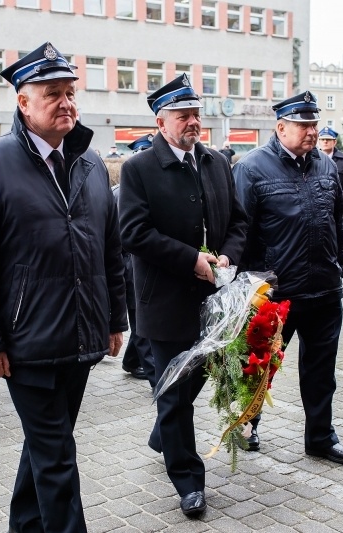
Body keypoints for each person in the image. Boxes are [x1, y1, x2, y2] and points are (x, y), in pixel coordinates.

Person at [0, 41, 127, 532]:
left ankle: (24, 525)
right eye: (53, 93)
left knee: (47, 445)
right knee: (57, 458)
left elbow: (109, 249)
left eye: (71, 92)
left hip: (82, 335)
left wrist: (115, 320)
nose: (67, 102)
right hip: (27, 342)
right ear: (23, 102)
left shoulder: (89, 163)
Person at [119, 74, 247, 518]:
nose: (193, 122)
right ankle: (189, 482)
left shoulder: (214, 162)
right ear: (161, 120)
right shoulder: (138, 168)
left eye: (196, 114)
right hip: (165, 299)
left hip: (215, 298)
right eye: (183, 115)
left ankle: (163, 433)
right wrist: (192, 259)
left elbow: (239, 221)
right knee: (172, 392)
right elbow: (133, 232)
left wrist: (228, 255)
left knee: (198, 375)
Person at [232, 91, 343, 465]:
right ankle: (246, 425)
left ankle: (320, 437)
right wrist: (249, 289)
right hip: (276, 295)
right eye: (304, 124)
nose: (311, 131)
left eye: (314, 124)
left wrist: (340, 267)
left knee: (322, 372)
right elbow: (240, 231)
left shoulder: (326, 166)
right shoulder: (252, 168)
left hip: (323, 290)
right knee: (258, 365)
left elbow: (338, 222)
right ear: (281, 126)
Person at [114, 134, 154, 382]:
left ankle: (131, 361)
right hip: (129, 266)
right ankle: (155, 375)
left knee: (140, 320)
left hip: (142, 265)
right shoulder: (120, 192)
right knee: (141, 322)